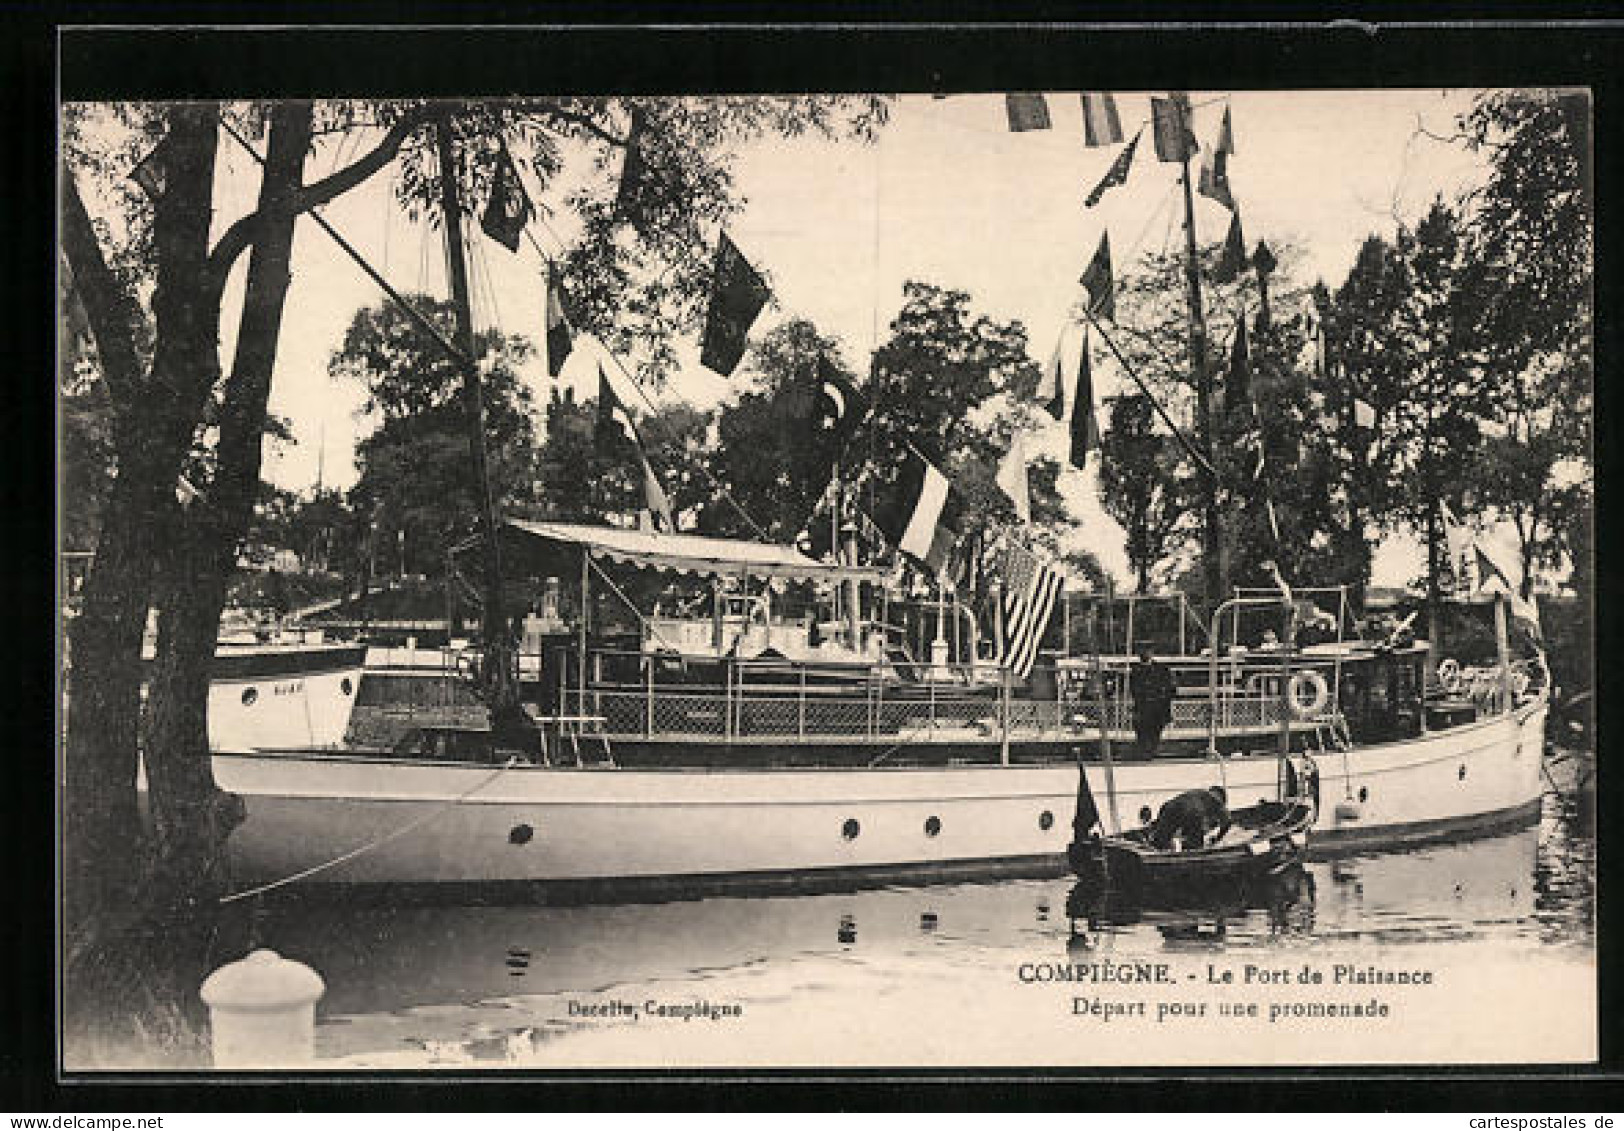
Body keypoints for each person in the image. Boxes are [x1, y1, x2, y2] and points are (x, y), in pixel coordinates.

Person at [1128, 644, 1176, 757]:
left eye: (1147, 651)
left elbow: (1170, 687)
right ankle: (1144, 752)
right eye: (1142, 651)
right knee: (1142, 730)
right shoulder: (1134, 670)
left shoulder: (1162, 669)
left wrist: (1164, 699)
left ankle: (1152, 751)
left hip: (1157, 707)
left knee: (1155, 730)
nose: (1144, 653)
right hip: (1142, 707)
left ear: (1152, 653)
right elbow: (1133, 689)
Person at [1148, 785, 1231, 850]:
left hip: (1168, 807)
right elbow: (1227, 822)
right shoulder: (1217, 802)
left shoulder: (1198, 792)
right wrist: (1218, 839)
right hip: (1192, 813)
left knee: (1160, 841)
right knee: (1194, 844)